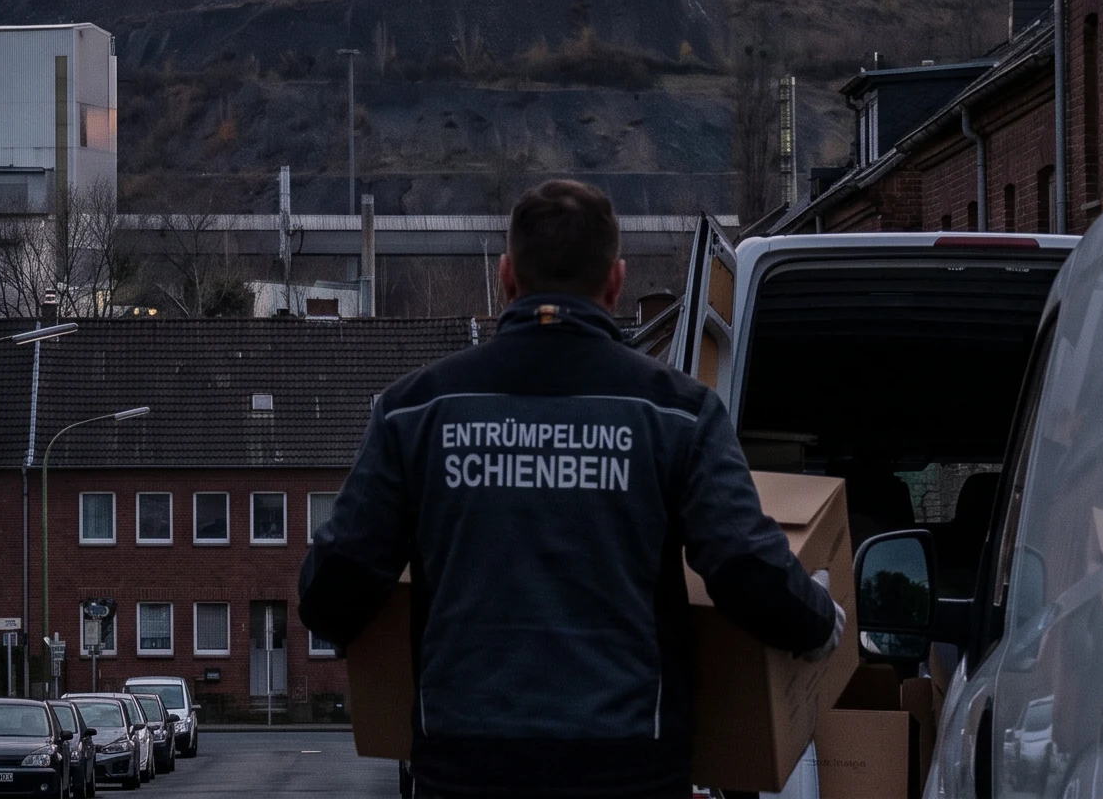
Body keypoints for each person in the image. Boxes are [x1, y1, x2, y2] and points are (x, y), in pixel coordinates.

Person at [299, 180, 840, 799]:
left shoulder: (414, 412)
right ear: (615, 282)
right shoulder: (677, 414)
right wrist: (817, 618)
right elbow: (743, 563)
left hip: (464, 770)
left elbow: (330, 588)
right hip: (627, 769)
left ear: (507, 278)